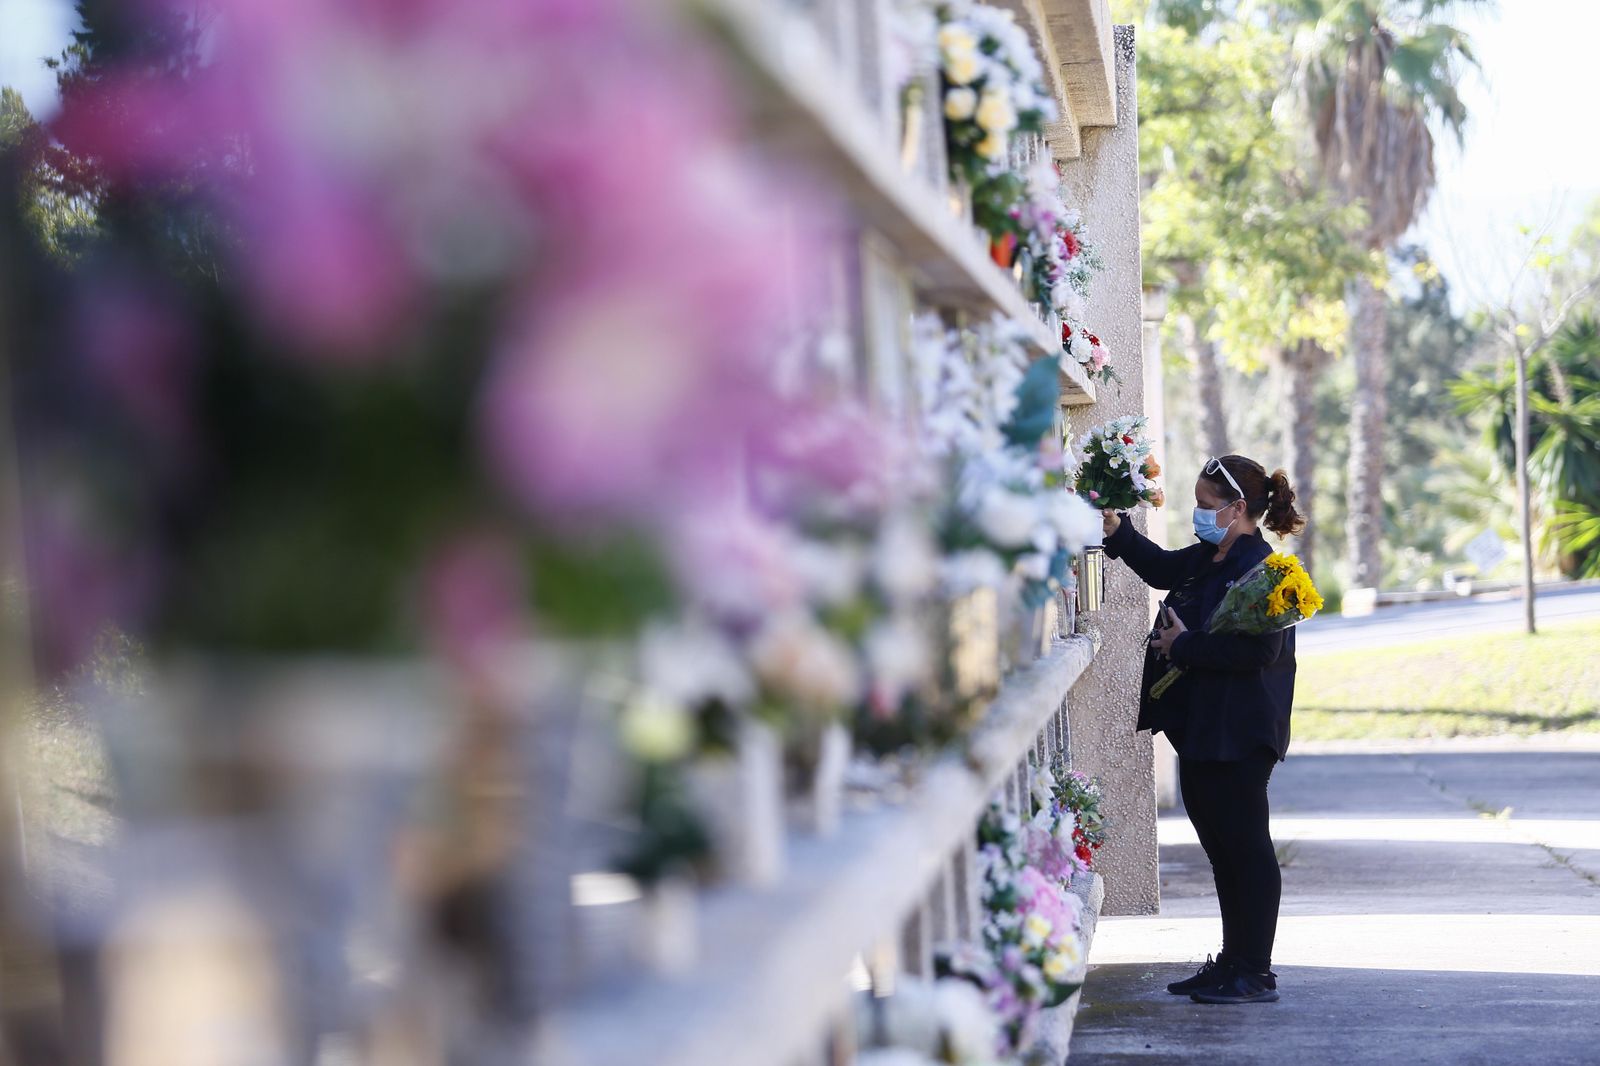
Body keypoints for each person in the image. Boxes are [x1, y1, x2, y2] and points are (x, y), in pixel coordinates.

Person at [1101, 454, 1307, 1005]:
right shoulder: (1212, 557)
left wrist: (1183, 645)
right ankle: (1232, 960)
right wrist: (1116, 530)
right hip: (1203, 728)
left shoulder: (1266, 569)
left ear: (1238, 509)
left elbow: (1260, 650)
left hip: (1241, 732)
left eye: (1205, 505)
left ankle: (1255, 971)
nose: (1198, 513)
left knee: (1246, 848)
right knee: (1220, 849)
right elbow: (1164, 569)